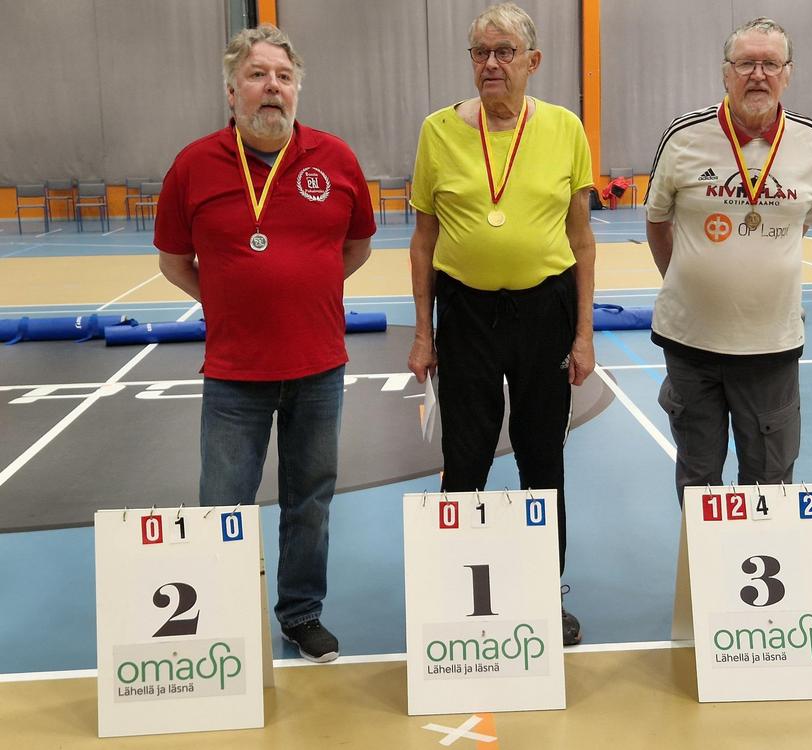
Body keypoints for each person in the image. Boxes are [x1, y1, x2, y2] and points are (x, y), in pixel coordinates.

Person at [155, 24, 375, 663]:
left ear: (297, 88)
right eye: (257, 75)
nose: (272, 87)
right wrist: (229, 302)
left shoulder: (336, 159)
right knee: (223, 503)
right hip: (233, 372)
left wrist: (303, 290)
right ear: (232, 92)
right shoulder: (193, 165)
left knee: (311, 501)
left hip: (319, 367)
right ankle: (219, 618)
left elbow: (357, 247)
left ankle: (301, 614)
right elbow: (174, 261)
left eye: (283, 76)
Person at [407, 2, 596, 646]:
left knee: (543, 456)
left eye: (504, 52)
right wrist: (423, 333)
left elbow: (582, 238)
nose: (491, 63)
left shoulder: (565, 128)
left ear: (532, 62)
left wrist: (583, 334)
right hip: (465, 313)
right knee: (465, 456)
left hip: (547, 310)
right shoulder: (437, 131)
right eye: (480, 52)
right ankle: (454, 590)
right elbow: (423, 241)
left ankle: (545, 589)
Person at [645, 17, 812, 505]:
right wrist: (689, 282)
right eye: (746, 63)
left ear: (788, 73)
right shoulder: (684, 136)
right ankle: (704, 564)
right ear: (726, 72)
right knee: (699, 480)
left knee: (770, 483)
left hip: (772, 347)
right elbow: (657, 220)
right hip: (691, 344)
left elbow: (801, 223)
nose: (758, 74)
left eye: (770, 64)